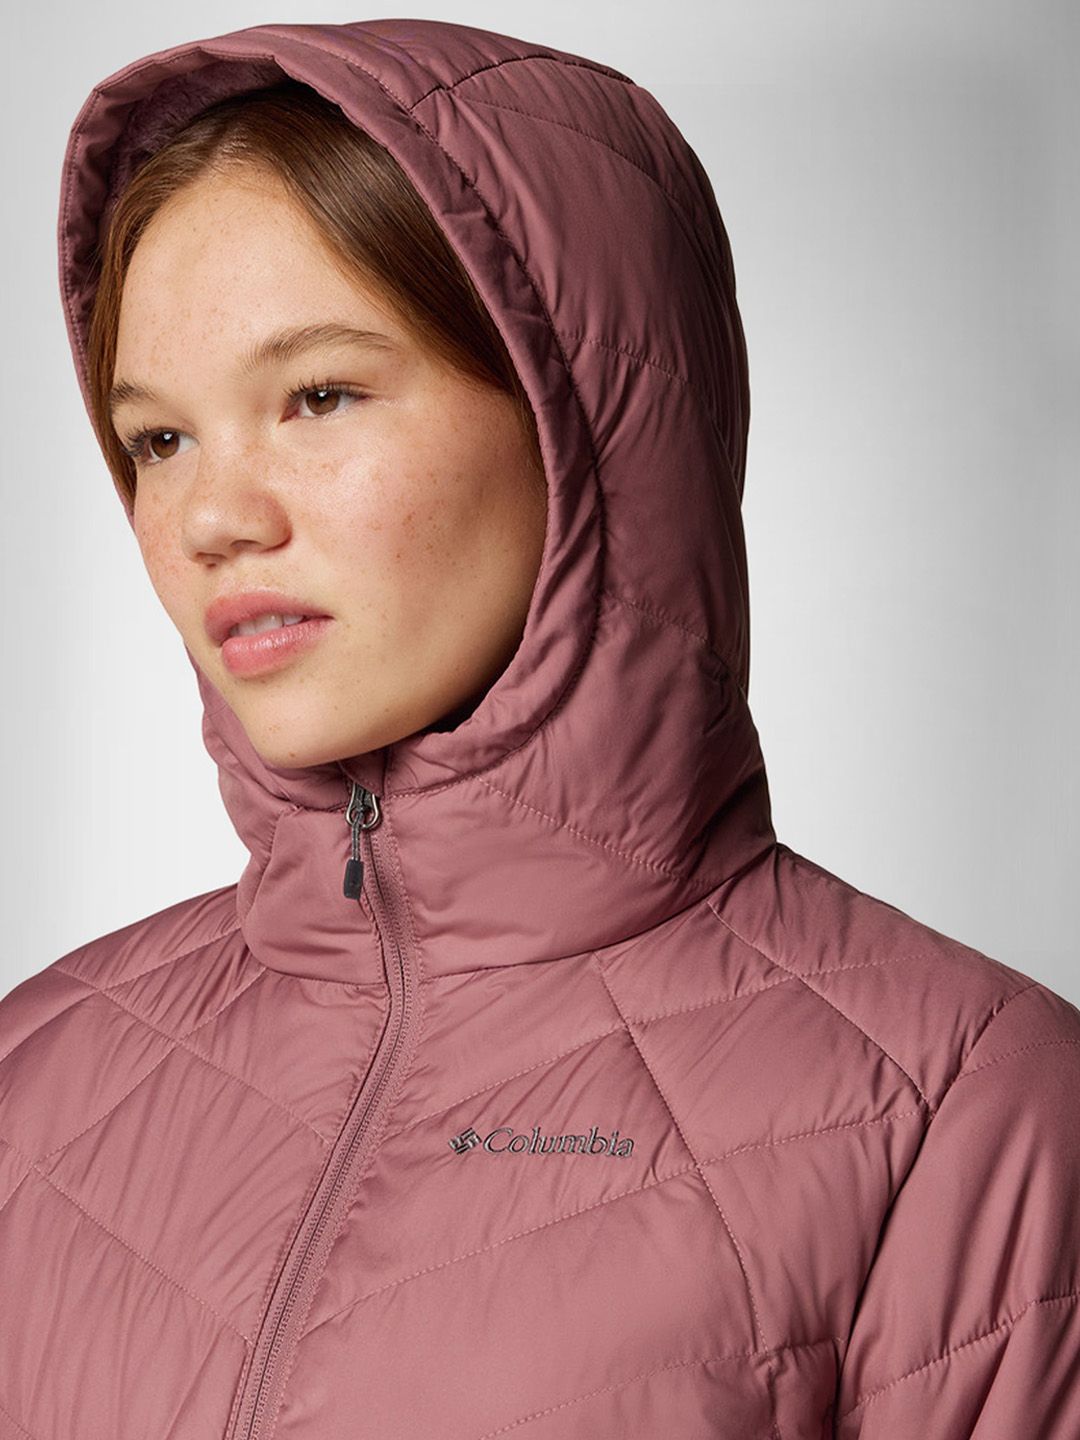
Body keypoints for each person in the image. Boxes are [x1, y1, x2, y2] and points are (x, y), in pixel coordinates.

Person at [0, 18, 1076, 1439]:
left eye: (319, 396)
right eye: (159, 438)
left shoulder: (962, 1101)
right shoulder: (36, 1074)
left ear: (583, 424)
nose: (211, 518)